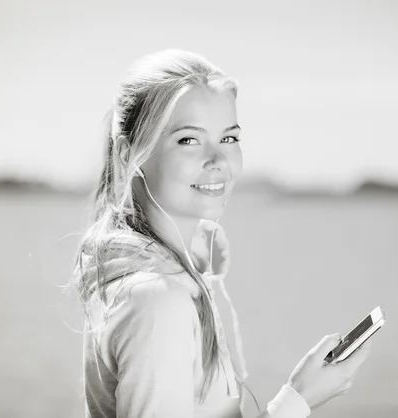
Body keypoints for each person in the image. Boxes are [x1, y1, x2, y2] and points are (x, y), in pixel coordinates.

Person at [71, 49, 372, 418]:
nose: (219, 161)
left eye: (229, 139)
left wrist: (194, 269)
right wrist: (298, 400)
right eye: (188, 140)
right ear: (128, 154)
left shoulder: (150, 276)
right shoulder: (157, 302)